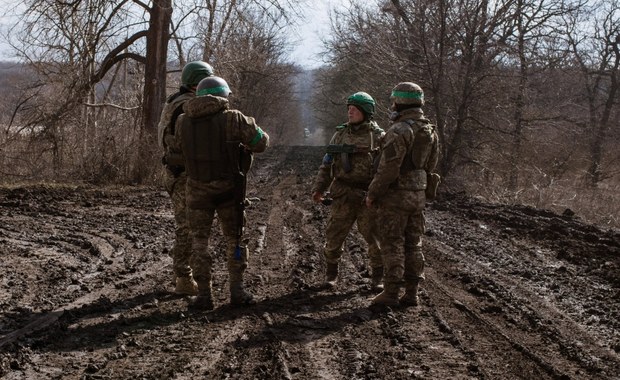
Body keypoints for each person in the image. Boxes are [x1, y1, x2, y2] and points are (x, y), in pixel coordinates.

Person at [176, 76, 269, 310]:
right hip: (229, 190)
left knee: (199, 244)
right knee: (234, 239)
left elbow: (177, 150)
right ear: (223, 96)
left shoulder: (182, 121)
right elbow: (261, 142)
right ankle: (237, 290)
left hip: (196, 191)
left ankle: (204, 295)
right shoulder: (234, 118)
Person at [365, 82, 440, 307]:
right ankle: (412, 292)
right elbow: (431, 164)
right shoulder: (429, 130)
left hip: (396, 196)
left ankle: (390, 293)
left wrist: (373, 193)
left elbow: (388, 168)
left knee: (392, 243)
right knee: (413, 244)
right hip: (418, 196)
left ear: (399, 101)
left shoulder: (399, 130)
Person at [311, 92, 385, 290]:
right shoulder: (340, 134)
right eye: (349, 108)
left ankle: (378, 278)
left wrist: (380, 193)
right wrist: (319, 188)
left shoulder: (379, 137)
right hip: (343, 193)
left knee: (375, 238)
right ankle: (331, 275)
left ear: (366, 112)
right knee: (334, 235)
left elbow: (387, 169)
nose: (350, 112)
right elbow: (327, 165)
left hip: (368, 196)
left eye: (354, 109)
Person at [157, 60, 214, 295]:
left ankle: (184, 275)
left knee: (188, 226)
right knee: (187, 228)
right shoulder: (187, 107)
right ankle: (183, 278)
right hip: (182, 175)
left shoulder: (175, 102)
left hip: (176, 172)